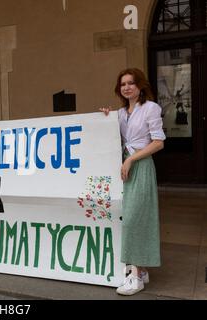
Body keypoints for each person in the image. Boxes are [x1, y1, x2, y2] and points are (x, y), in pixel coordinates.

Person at [101, 68, 165, 296]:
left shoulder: (151, 108)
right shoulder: (120, 113)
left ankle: (135, 276)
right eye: (122, 84)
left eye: (131, 83)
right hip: (124, 168)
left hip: (141, 166)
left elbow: (158, 142)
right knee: (128, 216)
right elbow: (112, 136)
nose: (126, 87)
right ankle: (142, 269)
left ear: (140, 85)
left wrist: (132, 160)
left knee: (135, 219)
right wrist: (106, 118)